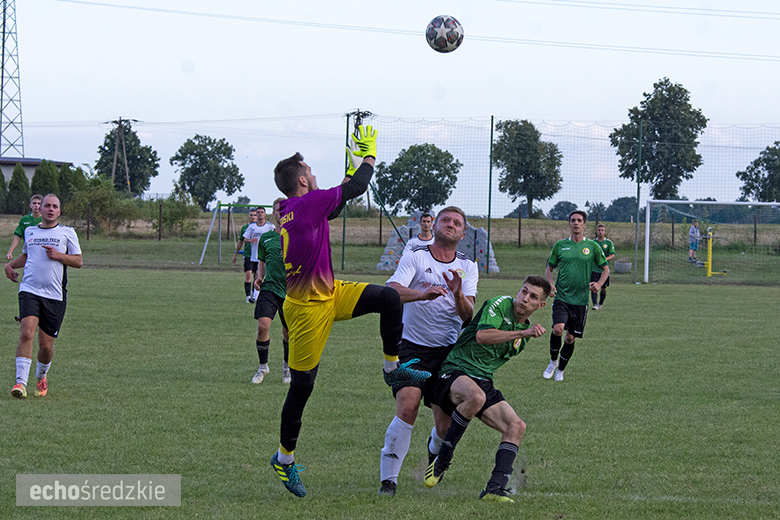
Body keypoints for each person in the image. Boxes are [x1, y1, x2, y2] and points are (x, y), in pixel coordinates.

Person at [269, 125, 431, 498]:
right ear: (302, 180)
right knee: (302, 387)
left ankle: (392, 369)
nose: (314, 174)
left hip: (331, 292)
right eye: (309, 171)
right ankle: (284, 459)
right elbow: (357, 188)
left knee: (389, 299)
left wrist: (351, 167)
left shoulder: (295, 208)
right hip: (307, 310)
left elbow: (338, 203)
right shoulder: (307, 204)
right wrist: (368, 156)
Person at [378, 206, 478, 497]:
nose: (450, 224)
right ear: (434, 226)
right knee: (407, 406)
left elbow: (468, 315)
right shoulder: (416, 255)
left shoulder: (468, 266)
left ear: (463, 233)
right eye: (445, 220)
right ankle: (388, 482)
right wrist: (421, 294)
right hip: (411, 346)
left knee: (445, 427)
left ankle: (434, 448)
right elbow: (392, 291)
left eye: (456, 223)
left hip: (448, 354)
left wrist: (457, 292)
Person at [423, 276, 551, 503]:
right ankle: (441, 461)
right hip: (454, 369)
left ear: (540, 305)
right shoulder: (501, 304)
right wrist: (522, 333)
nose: (524, 299)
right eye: (524, 291)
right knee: (473, 400)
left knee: (516, 425)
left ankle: (494, 488)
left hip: (482, 381)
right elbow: (482, 336)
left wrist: (523, 334)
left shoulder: (523, 336)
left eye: (533, 297)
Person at [5, 194, 83, 399]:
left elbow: (78, 261)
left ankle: (41, 376)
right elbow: (27, 255)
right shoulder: (30, 231)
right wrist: (10, 265)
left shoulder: (67, 232)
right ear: (40, 210)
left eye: (54, 206)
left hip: (54, 295)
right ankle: (20, 383)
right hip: (29, 290)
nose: (50, 209)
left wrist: (59, 255)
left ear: (59, 211)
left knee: (46, 346)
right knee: (26, 333)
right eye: (47, 205)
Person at [542, 210, 609, 382]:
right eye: (573, 220)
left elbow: (606, 269)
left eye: (579, 220)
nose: (576, 223)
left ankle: (561, 370)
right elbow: (549, 268)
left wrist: (599, 284)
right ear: (569, 224)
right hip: (562, 296)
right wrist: (550, 284)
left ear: (585, 225)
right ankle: (553, 362)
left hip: (580, 300)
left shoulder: (592, 247)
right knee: (558, 329)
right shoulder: (560, 246)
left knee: (570, 338)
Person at [251, 198, 290, 385]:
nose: (281, 213)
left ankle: (287, 367)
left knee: (288, 332)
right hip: (270, 287)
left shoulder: (296, 236)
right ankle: (262, 367)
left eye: (284, 210)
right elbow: (263, 260)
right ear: (273, 213)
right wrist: (260, 277)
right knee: (263, 326)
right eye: (278, 210)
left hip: (291, 291)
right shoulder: (266, 238)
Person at [241, 207, 274, 303]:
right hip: (253, 255)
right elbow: (245, 239)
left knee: (259, 276)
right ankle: (250, 295)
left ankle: (254, 297)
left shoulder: (270, 226)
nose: (260, 214)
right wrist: (251, 240)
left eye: (262, 212)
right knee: (252, 276)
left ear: (265, 214)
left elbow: (276, 236)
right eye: (258, 212)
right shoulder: (252, 227)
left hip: (264, 256)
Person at [6, 194, 43, 260]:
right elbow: (17, 237)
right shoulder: (24, 219)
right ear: (30, 205)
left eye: (39, 203)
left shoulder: (46, 219)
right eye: (34, 203)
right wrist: (10, 252)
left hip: (42, 252)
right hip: (28, 253)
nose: (36, 205)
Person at [233, 208, 257, 302]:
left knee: (257, 277)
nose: (253, 217)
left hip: (258, 255)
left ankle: (254, 295)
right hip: (248, 254)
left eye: (255, 215)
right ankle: (248, 296)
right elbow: (240, 242)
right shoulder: (245, 228)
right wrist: (235, 254)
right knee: (248, 276)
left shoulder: (261, 228)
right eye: (251, 215)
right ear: (248, 216)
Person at [590, 223, 616, 310]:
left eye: (602, 230)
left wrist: (604, 260)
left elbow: (612, 255)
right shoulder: (593, 243)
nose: (600, 232)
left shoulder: (608, 243)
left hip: (604, 270)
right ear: (596, 231)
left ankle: (600, 304)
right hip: (594, 269)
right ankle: (595, 304)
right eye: (599, 230)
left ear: (605, 232)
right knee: (593, 286)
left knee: (603, 289)